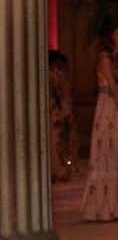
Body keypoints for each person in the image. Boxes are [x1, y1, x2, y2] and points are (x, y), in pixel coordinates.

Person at [81, 24, 118, 221]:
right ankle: (102, 208)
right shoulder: (105, 58)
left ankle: (117, 207)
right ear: (111, 36)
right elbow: (111, 86)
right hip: (108, 108)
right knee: (106, 153)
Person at [48, 50, 78, 184]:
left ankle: (61, 170)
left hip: (57, 112)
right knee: (56, 143)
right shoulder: (53, 76)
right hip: (54, 111)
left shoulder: (59, 76)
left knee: (60, 142)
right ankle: (58, 171)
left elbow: (65, 95)